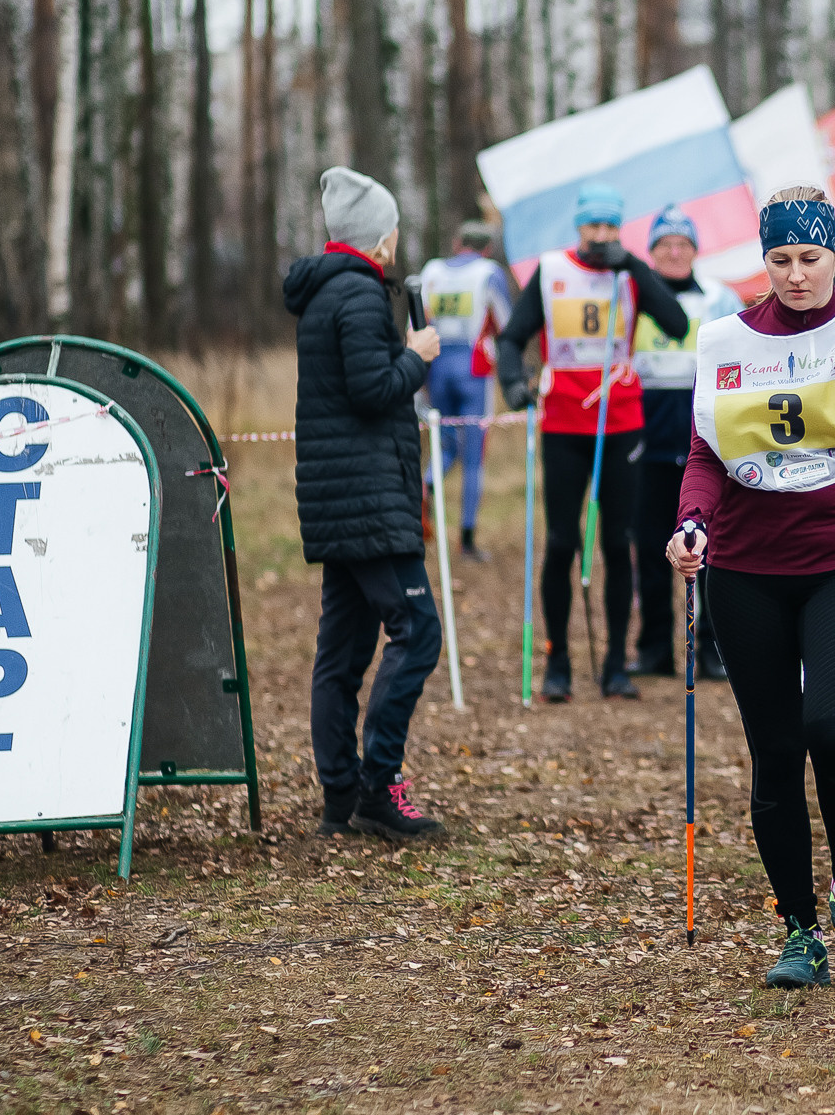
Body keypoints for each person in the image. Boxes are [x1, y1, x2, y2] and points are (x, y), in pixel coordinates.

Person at [667, 185, 835, 989]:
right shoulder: (724, 340)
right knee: (775, 753)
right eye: (778, 259)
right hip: (746, 571)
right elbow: (708, 454)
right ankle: (798, 927)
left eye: (809, 258)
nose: (794, 275)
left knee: (830, 730)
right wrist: (692, 523)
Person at [286, 167, 446, 842]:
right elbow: (371, 388)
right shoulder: (355, 294)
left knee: (343, 654)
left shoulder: (327, 291)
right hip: (369, 501)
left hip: (343, 499)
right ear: (379, 237)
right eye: (393, 228)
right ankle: (379, 787)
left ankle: (339, 799)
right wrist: (416, 356)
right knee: (418, 634)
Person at [494, 182, 691, 699]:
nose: (601, 237)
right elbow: (511, 337)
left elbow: (676, 323)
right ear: (578, 227)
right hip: (563, 423)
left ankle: (615, 665)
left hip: (621, 420)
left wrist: (636, 267)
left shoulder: (629, 275)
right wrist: (513, 382)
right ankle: (558, 661)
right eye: (593, 227)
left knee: (616, 541)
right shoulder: (553, 271)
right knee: (561, 542)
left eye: (610, 227)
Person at [631, 207, 743, 678]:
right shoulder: (633, 296)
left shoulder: (720, 297)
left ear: (696, 250)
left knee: (713, 548)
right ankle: (654, 648)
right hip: (645, 437)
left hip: (704, 438)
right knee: (651, 545)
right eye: (664, 245)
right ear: (652, 253)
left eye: (683, 244)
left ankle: (715, 649)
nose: (674, 253)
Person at [416, 222, 514, 560]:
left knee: (445, 445)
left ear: (457, 243)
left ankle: (425, 485)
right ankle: (468, 539)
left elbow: (417, 324)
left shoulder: (433, 271)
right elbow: (508, 324)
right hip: (473, 369)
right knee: (473, 455)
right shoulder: (489, 272)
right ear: (486, 247)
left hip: (437, 366)